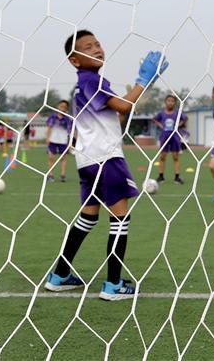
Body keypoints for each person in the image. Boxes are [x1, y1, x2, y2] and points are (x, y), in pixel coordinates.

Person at [44, 29, 168, 301]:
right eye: (87, 47)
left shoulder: (88, 84)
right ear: (75, 60)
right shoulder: (92, 81)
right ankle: (113, 284)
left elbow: (115, 118)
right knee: (120, 219)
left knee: (88, 217)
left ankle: (60, 275)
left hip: (87, 159)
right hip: (106, 158)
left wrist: (141, 89)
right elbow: (124, 107)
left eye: (97, 44)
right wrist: (143, 80)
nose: (96, 48)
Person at [153, 94, 186, 184]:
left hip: (175, 137)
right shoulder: (162, 113)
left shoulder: (177, 113)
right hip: (164, 136)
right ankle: (161, 176)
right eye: (169, 101)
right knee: (162, 157)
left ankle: (177, 177)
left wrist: (179, 125)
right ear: (165, 102)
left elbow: (185, 119)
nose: (170, 103)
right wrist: (160, 125)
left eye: (172, 101)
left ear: (175, 103)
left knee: (175, 157)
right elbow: (155, 119)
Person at [46, 100, 73, 182]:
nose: (62, 108)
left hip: (63, 141)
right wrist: (47, 139)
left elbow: (70, 132)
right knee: (51, 158)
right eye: (61, 106)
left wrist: (71, 143)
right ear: (58, 107)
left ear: (67, 109)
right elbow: (49, 128)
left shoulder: (68, 119)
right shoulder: (52, 117)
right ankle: (50, 175)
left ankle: (63, 175)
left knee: (63, 158)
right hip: (53, 140)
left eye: (64, 107)